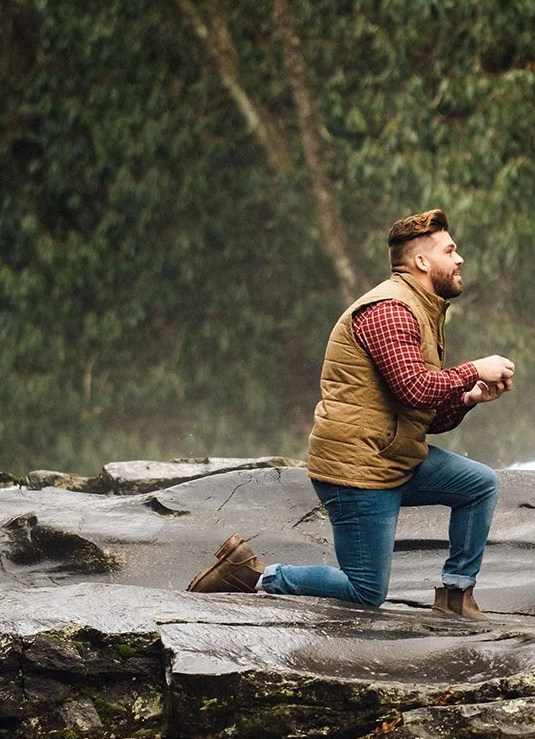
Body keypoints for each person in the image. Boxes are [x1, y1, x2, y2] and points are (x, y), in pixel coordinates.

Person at [187, 208, 514, 617]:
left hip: (392, 459)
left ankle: (455, 596)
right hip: (357, 470)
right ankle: (252, 575)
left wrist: (468, 398)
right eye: (451, 250)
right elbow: (414, 389)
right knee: (365, 590)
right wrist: (473, 369)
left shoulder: (422, 310)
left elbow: (423, 413)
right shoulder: (388, 310)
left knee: (478, 485)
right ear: (423, 262)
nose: (460, 258)